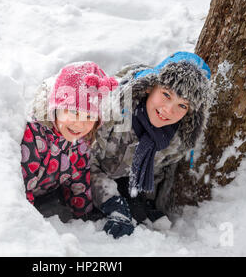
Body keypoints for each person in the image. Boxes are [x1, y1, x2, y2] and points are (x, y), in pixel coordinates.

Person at [90, 51, 212, 238]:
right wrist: (111, 202)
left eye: (182, 106)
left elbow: (157, 171)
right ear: (149, 87)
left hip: (122, 178)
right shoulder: (111, 112)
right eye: (166, 95)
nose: (168, 110)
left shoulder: (175, 140)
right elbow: (84, 160)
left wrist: (142, 201)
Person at [20, 61, 118, 221]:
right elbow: (21, 191)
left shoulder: (81, 141)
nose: (79, 124)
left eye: (89, 116)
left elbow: (79, 181)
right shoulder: (33, 135)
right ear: (56, 107)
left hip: (50, 192)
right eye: (73, 111)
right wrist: (31, 226)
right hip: (28, 201)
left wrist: (84, 217)